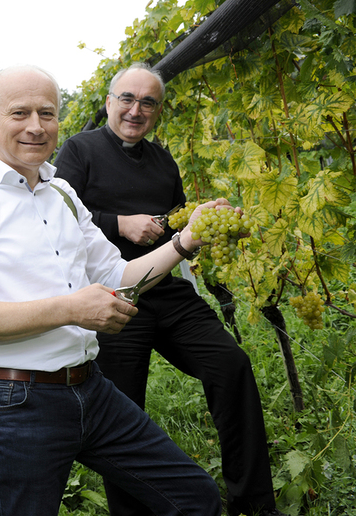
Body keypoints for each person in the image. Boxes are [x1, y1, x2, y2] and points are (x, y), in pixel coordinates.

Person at [0, 64, 225, 516]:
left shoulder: (62, 192)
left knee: (193, 498)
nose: (36, 126)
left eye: (47, 113)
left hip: (90, 389)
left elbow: (119, 276)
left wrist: (184, 241)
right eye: (19, 113)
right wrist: (70, 308)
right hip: (16, 400)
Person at [54, 63, 283, 516]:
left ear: (157, 112)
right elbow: (60, 215)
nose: (136, 110)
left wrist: (209, 223)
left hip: (167, 290)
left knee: (231, 365)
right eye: (127, 99)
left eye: (148, 103)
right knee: (124, 407)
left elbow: (178, 222)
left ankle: (253, 502)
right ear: (109, 102)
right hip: (113, 294)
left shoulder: (163, 160)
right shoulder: (78, 150)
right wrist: (119, 222)